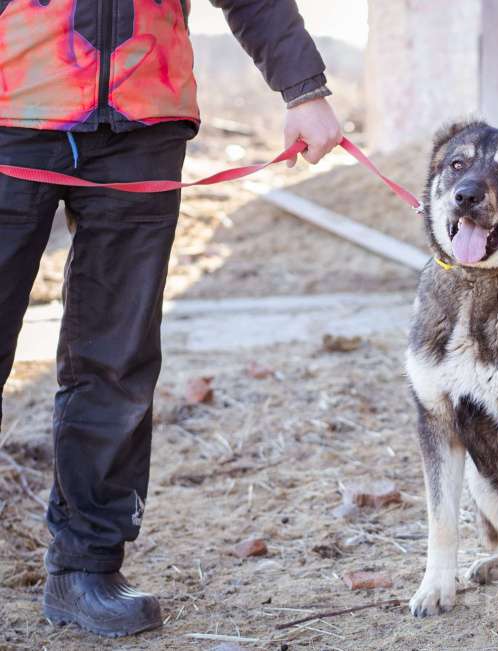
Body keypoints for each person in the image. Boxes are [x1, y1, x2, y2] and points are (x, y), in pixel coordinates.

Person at [0, 0, 343, 638]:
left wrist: (303, 87)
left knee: (117, 361)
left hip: (143, 119)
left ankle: (86, 570)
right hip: (11, 109)